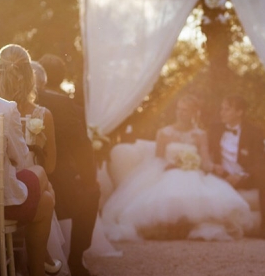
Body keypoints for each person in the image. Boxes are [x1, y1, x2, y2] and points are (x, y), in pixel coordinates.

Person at [103, 95, 252, 241]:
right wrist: (172, 165)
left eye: (185, 110)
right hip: (170, 171)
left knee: (198, 195)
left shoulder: (200, 134)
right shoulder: (164, 133)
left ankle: (185, 228)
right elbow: (159, 159)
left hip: (193, 172)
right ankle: (169, 228)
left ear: (194, 113)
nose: (180, 113)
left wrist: (213, 167)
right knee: (172, 191)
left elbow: (205, 161)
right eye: (179, 109)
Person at [0, 43, 71, 276]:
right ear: (30, 76)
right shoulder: (40, 115)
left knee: (46, 196)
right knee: (47, 195)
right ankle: (40, 273)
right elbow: (49, 168)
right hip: (14, 196)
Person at [33, 59, 99, 276]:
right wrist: (89, 179)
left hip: (16, 184)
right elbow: (82, 144)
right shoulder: (62, 103)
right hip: (58, 184)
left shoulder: (2, 97)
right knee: (91, 193)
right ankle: (76, 260)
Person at [208, 96, 265, 239]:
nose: (222, 112)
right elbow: (205, 152)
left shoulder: (253, 131)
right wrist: (214, 167)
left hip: (244, 176)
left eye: (227, 109)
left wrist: (242, 175)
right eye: (222, 109)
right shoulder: (214, 129)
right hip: (222, 176)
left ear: (239, 112)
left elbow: (260, 160)